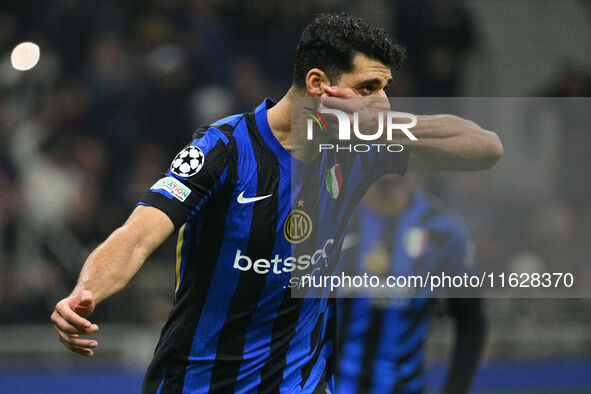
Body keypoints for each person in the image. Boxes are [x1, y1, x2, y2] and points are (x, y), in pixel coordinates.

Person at [51, 13, 502, 393]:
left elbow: (484, 147)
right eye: (367, 88)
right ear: (318, 83)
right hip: (198, 382)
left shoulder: (360, 149)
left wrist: (383, 126)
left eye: (383, 88)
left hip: (301, 383)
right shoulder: (223, 149)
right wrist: (84, 293)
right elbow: (136, 235)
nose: (381, 102)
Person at [337, 176, 487, 394]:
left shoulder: (443, 230)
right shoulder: (331, 217)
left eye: (399, 140)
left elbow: (471, 322)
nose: (390, 148)